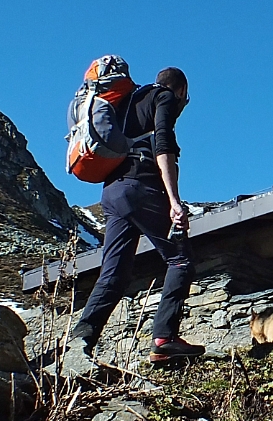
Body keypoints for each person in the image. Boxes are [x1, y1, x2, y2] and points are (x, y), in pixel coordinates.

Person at [65, 67, 204, 367]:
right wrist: (174, 201)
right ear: (181, 90)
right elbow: (163, 146)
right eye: (186, 98)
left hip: (112, 193)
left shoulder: (125, 102)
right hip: (141, 186)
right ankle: (164, 339)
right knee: (181, 259)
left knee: (113, 274)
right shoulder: (163, 97)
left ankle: (81, 339)